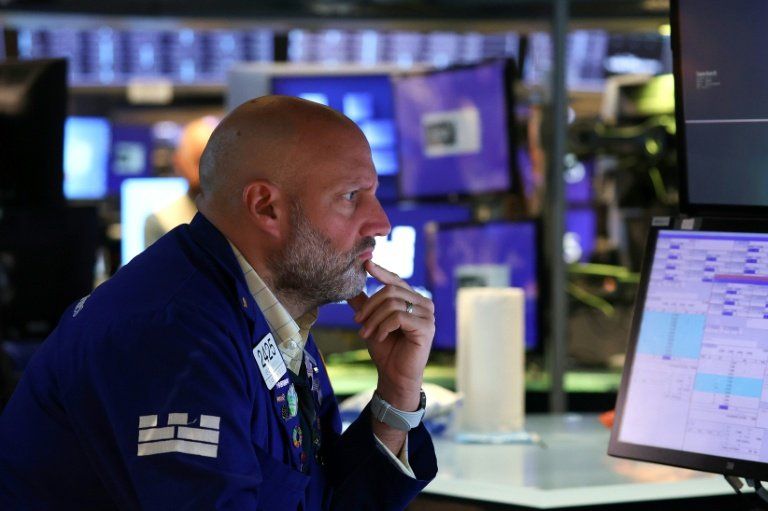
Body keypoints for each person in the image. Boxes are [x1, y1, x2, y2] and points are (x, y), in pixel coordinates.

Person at [0, 96, 438, 509]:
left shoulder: (265, 307)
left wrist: (397, 390)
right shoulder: (171, 336)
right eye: (351, 196)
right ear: (266, 207)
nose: (381, 223)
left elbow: (320, 500)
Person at [144, 115, 219, 248]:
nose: (204, 169)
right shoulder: (161, 221)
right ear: (177, 162)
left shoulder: (245, 216)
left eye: (211, 160)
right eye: (197, 160)